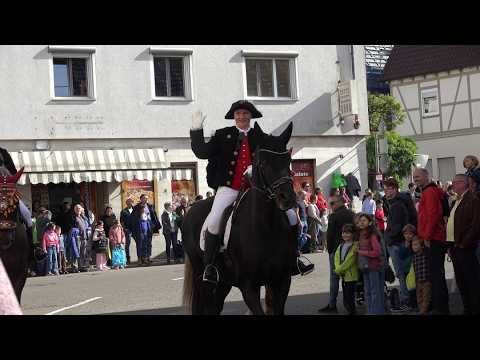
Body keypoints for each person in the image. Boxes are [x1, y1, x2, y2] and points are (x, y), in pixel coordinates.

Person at [190, 100, 313, 284]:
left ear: (251, 116)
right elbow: (202, 152)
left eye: (245, 114)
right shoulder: (223, 135)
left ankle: (295, 258)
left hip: (258, 188)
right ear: (234, 116)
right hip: (229, 188)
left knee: (292, 216)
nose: (242, 116)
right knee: (214, 222)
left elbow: (274, 157)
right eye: (238, 113)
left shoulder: (261, 136)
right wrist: (196, 129)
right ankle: (210, 266)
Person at [413, 167, 449, 314]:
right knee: (436, 275)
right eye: (414, 177)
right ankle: (440, 307)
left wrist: (426, 237)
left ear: (426, 177)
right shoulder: (431, 190)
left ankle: (441, 309)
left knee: (436, 276)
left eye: (418, 177)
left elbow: (433, 215)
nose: (415, 179)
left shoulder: (429, 192)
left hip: (433, 239)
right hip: (433, 237)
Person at [447, 174, 480, 314]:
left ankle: (475, 308)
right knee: (461, 280)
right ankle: (467, 307)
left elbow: (475, 225)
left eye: (456, 182)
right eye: (453, 182)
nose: (453, 185)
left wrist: (464, 243)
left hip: (464, 247)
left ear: (464, 183)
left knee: (471, 280)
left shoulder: (473, 199)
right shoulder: (456, 201)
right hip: (455, 246)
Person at [318, 194, 354, 313]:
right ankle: (350, 303)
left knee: (334, 278)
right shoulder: (352, 214)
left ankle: (332, 304)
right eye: (330, 203)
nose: (331, 206)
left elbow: (330, 235)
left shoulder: (333, 216)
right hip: (351, 249)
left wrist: (330, 251)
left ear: (340, 202)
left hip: (337, 251)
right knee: (350, 277)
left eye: (332, 203)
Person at [383, 177, 411, 312]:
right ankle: (406, 298)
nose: (387, 192)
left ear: (394, 189)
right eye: (385, 189)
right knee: (402, 272)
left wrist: (388, 238)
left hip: (396, 243)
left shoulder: (397, 204)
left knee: (401, 273)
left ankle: (405, 300)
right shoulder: (395, 203)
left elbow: (398, 225)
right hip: (398, 241)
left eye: (389, 189)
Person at [356, 213, 385, 315]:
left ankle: (376, 312)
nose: (361, 223)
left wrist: (361, 252)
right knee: (367, 292)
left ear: (370, 222)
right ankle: (370, 311)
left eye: (364, 220)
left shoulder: (372, 235)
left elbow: (377, 252)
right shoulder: (360, 234)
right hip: (365, 267)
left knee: (375, 292)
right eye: (360, 221)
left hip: (373, 267)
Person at [334, 223, 359, 315]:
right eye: (343, 233)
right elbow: (336, 257)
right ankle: (349, 309)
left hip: (351, 276)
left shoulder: (355, 245)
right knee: (345, 296)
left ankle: (352, 311)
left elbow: (351, 260)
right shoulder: (341, 245)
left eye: (348, 233)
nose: (345, 235)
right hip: (343, 275)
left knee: (350, 297)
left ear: (353, 234)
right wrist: (338, 268)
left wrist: (339, 269)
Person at [131, 195, 161, 265]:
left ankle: (147, 257)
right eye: (145, 198)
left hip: (149, 225)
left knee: (148, 243)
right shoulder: (136, 207)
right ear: (141, 199)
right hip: (140, 227)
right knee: (140, 244)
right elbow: (133, 218)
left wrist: (154, 224)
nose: (146, 199)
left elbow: (154, 215)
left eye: (147, 198)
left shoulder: (150, 206)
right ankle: (140, 258)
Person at [120, 198, 135, 264]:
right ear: (126, 203)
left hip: (135, 229)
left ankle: (140, 257)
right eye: (128, 202)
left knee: (139, 243)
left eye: (131, 202)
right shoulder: (123, 211)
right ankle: (128, 258)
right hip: (128, 230)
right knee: (127, 244)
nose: (130, 203)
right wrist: (124, 228)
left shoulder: (135, 210)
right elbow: (122, 221)